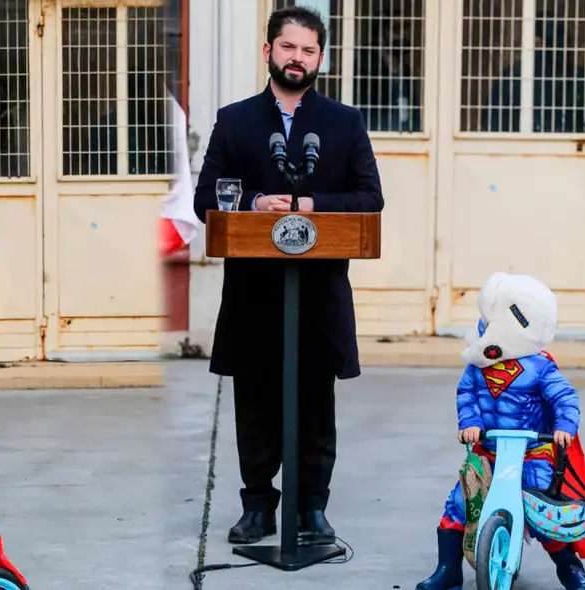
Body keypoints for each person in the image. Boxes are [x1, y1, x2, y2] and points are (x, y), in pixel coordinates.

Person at [192, 6, 384, 545]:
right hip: (254, 292)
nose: (296, 58)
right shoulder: (235, 121)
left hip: (318, 293)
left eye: (307, 50)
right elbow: (207, 197)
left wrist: (307, 202)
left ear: (320, 58)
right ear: (268, 52)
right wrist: (256, 202)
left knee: (315, 402)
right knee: (254, 400)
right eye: (288, 47)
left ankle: (311, 509)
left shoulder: (344, 123)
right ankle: (258, 506)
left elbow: (371, 198)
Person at [416, 272, 585, 590]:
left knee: (545, 514)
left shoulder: (540, 366)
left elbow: (564, 397)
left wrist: (563, 426)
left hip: (532, 454)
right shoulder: (478, 366)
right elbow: (466, 395)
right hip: (489, 452)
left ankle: (571, 571)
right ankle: (448, 570)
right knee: (459, 506)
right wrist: (470, 422)